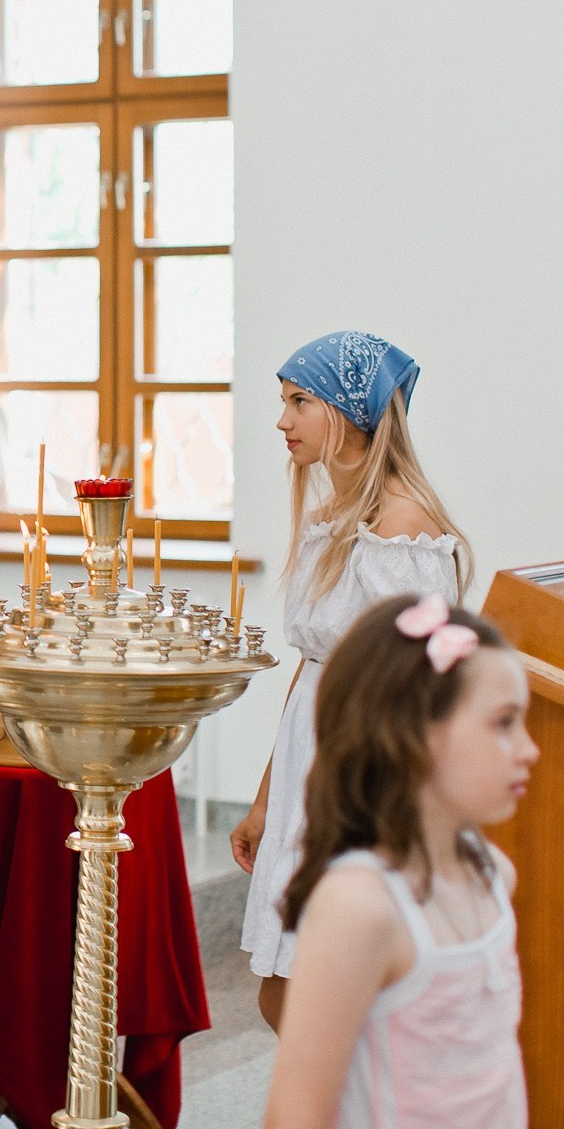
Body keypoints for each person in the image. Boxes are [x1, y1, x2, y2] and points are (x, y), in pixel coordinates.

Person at [231, 331, 471, 1032]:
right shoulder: (332, 520)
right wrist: (265, 800)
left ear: (349, 410)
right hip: (311, 759)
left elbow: (424, 685)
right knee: (287, 991)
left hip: (363, 773)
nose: (283, 420)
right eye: (283, 402)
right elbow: (313, 666)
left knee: (323, 995)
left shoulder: (403, 529)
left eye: (299, 400)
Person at [263, 595, 534, 1129]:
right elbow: (296, 1117)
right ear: (415, 733)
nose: (529, 749)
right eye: (504, 724)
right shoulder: (360, 906)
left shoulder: (491, 875)